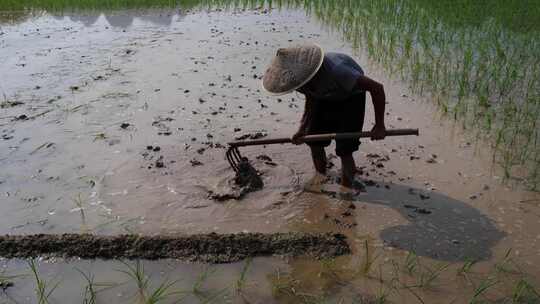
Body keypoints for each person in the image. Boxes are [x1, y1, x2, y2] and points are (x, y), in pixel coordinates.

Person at [262, 43, 387, 189]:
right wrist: (303, 128)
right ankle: (320, 176)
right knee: (314, 141)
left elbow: (377, 88)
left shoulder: (339, 71)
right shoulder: (299, 80)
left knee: (345, 149)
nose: (300, 88)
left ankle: (346, 188)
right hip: (323, 96)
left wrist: (379, 125)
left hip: (351, 97)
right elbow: (311, 97)